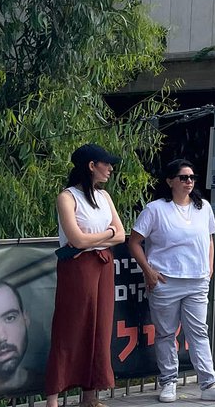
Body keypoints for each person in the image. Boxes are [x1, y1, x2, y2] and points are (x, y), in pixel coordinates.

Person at [127, 159, 215, 403]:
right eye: (183, 177)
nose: (189, 181)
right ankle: (168, 382)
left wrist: (209, 266)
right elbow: (134, 241)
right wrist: (149, 271)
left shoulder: (203, 206)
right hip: (165, 279)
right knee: (166, 333)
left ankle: (209, 382)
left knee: (199, 331)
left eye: (192, 177)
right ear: (170, 181)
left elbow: (209, 238)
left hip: (196, 279)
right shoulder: (155, 209)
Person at [44, 144, 127, 407]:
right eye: (106, 164)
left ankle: (90, 396)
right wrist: (107, 235)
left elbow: (122, 233)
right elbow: (76, 239)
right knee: (70, 327)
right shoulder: (67, 197)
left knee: (100, 328)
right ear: (92, 166)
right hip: (78, 267)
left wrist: (103, 237)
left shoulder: (104, 197)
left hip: (103, 264)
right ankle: (53, 399)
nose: (110, 169)